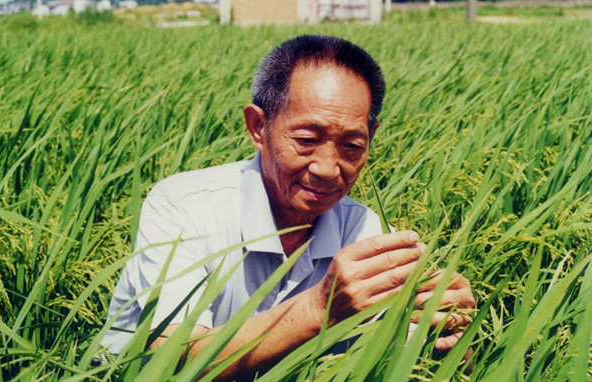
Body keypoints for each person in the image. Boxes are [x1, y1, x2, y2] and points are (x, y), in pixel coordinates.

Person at [103, 35, 475, 379]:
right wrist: (319, 309)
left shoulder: (363, 230)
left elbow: (406, 357)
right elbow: (174, 359)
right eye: (306, 140)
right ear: (257, 127)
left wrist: (451, 333)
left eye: (352, 146)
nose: (328, 169)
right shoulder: (182, 207)